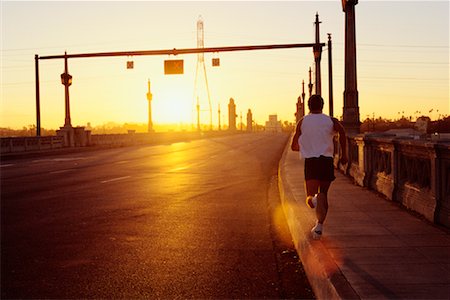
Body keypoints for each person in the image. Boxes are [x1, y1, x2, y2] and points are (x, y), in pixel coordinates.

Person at [291, 94, 348, 239]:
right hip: (326, 161)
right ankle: (319, 226)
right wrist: (344, 154)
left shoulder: (302, 122)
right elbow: (342, 132)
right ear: (322, 106)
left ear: (309, 106)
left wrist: (305, 147)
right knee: (324, 194)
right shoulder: (330, 120)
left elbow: (294, 146)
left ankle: (315, 200)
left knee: (310, 199)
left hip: (311, 162)